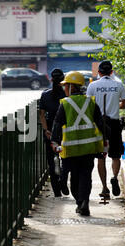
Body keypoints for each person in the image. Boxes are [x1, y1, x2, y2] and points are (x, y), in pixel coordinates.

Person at [51, 71, 106, 216]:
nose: (64, 89)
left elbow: (57, 124)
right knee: (86, 176)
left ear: (72, 87)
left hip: (71, 150)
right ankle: (84, 201)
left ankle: (80, 201)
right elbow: (100, 123)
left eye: (66, 86)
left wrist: (54, 141)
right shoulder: (90, 102)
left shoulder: (65, 104)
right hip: (89, 148)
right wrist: (106, 140)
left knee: (74, 178)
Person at [86, 60, 125, 199]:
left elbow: (89, 106)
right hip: (114, 123)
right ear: (111, 72)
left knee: (101, 157)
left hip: (99, 125)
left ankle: (104, 188)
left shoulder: (92, 85)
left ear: (99, 73)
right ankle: (115, 177)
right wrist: (115, 105)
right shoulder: (118, 84)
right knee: (116, 155)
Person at [39, 68, 69, 197]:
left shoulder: (45, 95)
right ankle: (63, 182)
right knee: (66, 158)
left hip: (50, 130)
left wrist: (46, 130)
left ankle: (57, 190)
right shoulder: (67, 95)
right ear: (63, 81)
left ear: (51, 80)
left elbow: (41, 115)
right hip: (65, 129)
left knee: (51, 160)